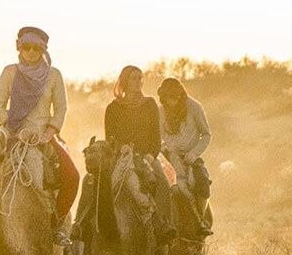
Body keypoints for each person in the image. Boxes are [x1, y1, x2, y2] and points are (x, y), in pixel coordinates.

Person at [0, 26, 79, 245]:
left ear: (43, 50)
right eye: (26, 48)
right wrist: (16, 129)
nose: (31, 52)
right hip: (12, 131)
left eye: (36, 48)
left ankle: (56, 223)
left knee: (72, 175)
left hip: (43, 135)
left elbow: (60, 109)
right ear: (19, 49)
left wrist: (48, 132)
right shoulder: (9, 72)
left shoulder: (54, 75)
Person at [73, 65, 174, 244]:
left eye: (140, 78)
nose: (138, 82)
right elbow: (110, 137)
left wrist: (150, 155)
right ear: (124, 81)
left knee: (162, 182)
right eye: (133, 78)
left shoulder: (150, 104)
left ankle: (163, 225)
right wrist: (121, 148)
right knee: (91, 181)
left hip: (146, 155)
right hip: (120, 156)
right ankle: (81, 225)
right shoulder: (113, 108)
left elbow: (155, 137)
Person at [157, 78, 213, 236]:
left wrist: (195, 153)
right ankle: (159, 224)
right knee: (155, 184)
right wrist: (163, 149)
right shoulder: (160, 111)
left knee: (202, 182)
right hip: (167, 158)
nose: (173, 101)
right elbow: (157, 137)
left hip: (191, 156)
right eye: (169, 98)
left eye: (176, 97)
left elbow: (207, 135)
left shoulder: (194, 107)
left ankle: (200, 220)